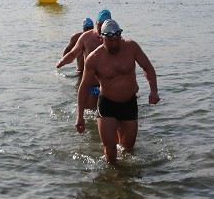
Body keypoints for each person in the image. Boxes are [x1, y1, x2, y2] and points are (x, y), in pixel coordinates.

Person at [75, 19, 159, 162]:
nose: (114, 44)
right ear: (101, 39)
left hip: (129, 103)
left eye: (117, 40)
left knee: (128, 149)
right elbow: (83, 87)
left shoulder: (131, 47)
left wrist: (154, 90)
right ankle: (112, 177)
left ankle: (124, 180)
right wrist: (80, 116)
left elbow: (147, 67)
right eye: (110, 41)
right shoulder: (94, 58)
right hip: (107, 105)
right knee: (110, 151)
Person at [56, 9, 111, 111]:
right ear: (95, 24)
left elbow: (125, 61)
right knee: (89, 114)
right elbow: (72, 53)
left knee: (107, 115)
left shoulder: (114, 39)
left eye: (104, 25)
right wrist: (62, 61)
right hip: (91, 85)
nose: (100, 28)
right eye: (99, 24)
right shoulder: (86, 37)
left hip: (109, 86)